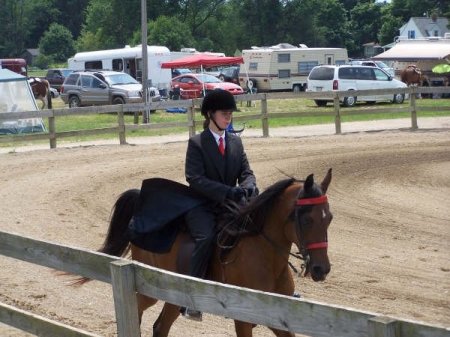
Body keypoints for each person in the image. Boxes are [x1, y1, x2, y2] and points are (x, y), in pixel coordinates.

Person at [181, 89, 258, 321]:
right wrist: (227, 191)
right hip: (202, 205)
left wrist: (249, 186)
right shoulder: (197, 143)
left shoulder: (236, 142)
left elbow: (247, 171)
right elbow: (194, 178)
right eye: (225, 114)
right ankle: (190, 300)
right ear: (210, 114)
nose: (229, 117)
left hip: (232, 202)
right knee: (205, 238)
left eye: (230, 114)